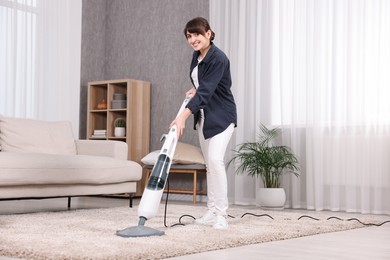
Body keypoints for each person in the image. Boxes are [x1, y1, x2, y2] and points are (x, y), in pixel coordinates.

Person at [169, 17, 237, 229]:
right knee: (209, 165)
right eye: (189, 36)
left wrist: (182, 116)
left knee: (215, 161)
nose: (193, 39)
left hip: (222, 116)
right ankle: (211, 209)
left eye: (197, 34)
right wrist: (195, 89)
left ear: (209, 33)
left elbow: (207, 91)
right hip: (204, 117)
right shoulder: (196, 57)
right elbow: (203, 85)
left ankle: (222, 215)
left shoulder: (219, 58)